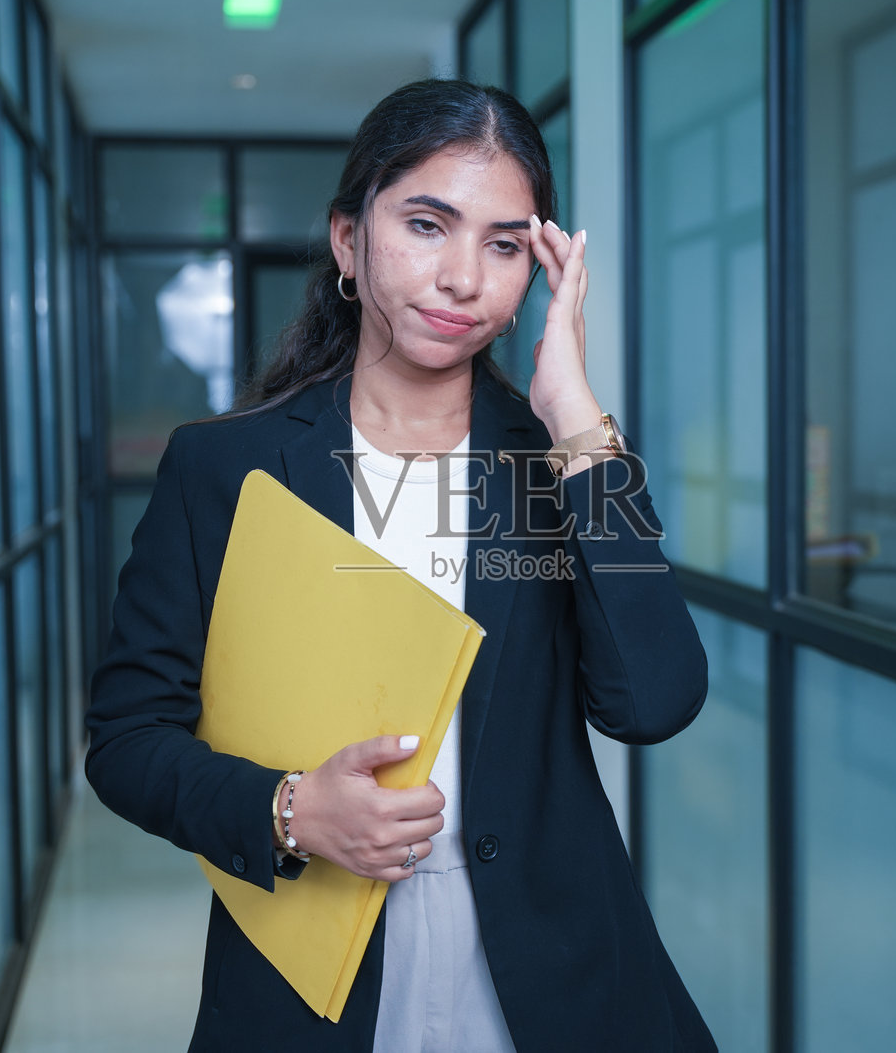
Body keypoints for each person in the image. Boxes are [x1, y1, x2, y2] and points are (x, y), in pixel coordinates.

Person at [87, 77, 715, 1051]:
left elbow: (655, 699)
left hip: (550, 970)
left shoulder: (561, 457)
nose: (464, 277)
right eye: (427, 224)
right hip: (311, 971)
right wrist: (287, 807)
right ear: (349, 239)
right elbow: (127, 739)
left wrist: (574, 416)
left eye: (504, 244)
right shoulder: (224, 467)